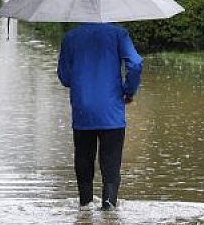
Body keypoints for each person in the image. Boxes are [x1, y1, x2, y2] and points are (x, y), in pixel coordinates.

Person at [57, 22, 143, 211]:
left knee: (84, 163)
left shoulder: (71, 37)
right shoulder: (119, 35)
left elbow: (64, 76)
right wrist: (128, 91)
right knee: (111, 167)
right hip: (111, 112)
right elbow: (135, 64)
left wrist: (82, 82)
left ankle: (85, 208)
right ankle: (109, 209)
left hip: (82, 111)